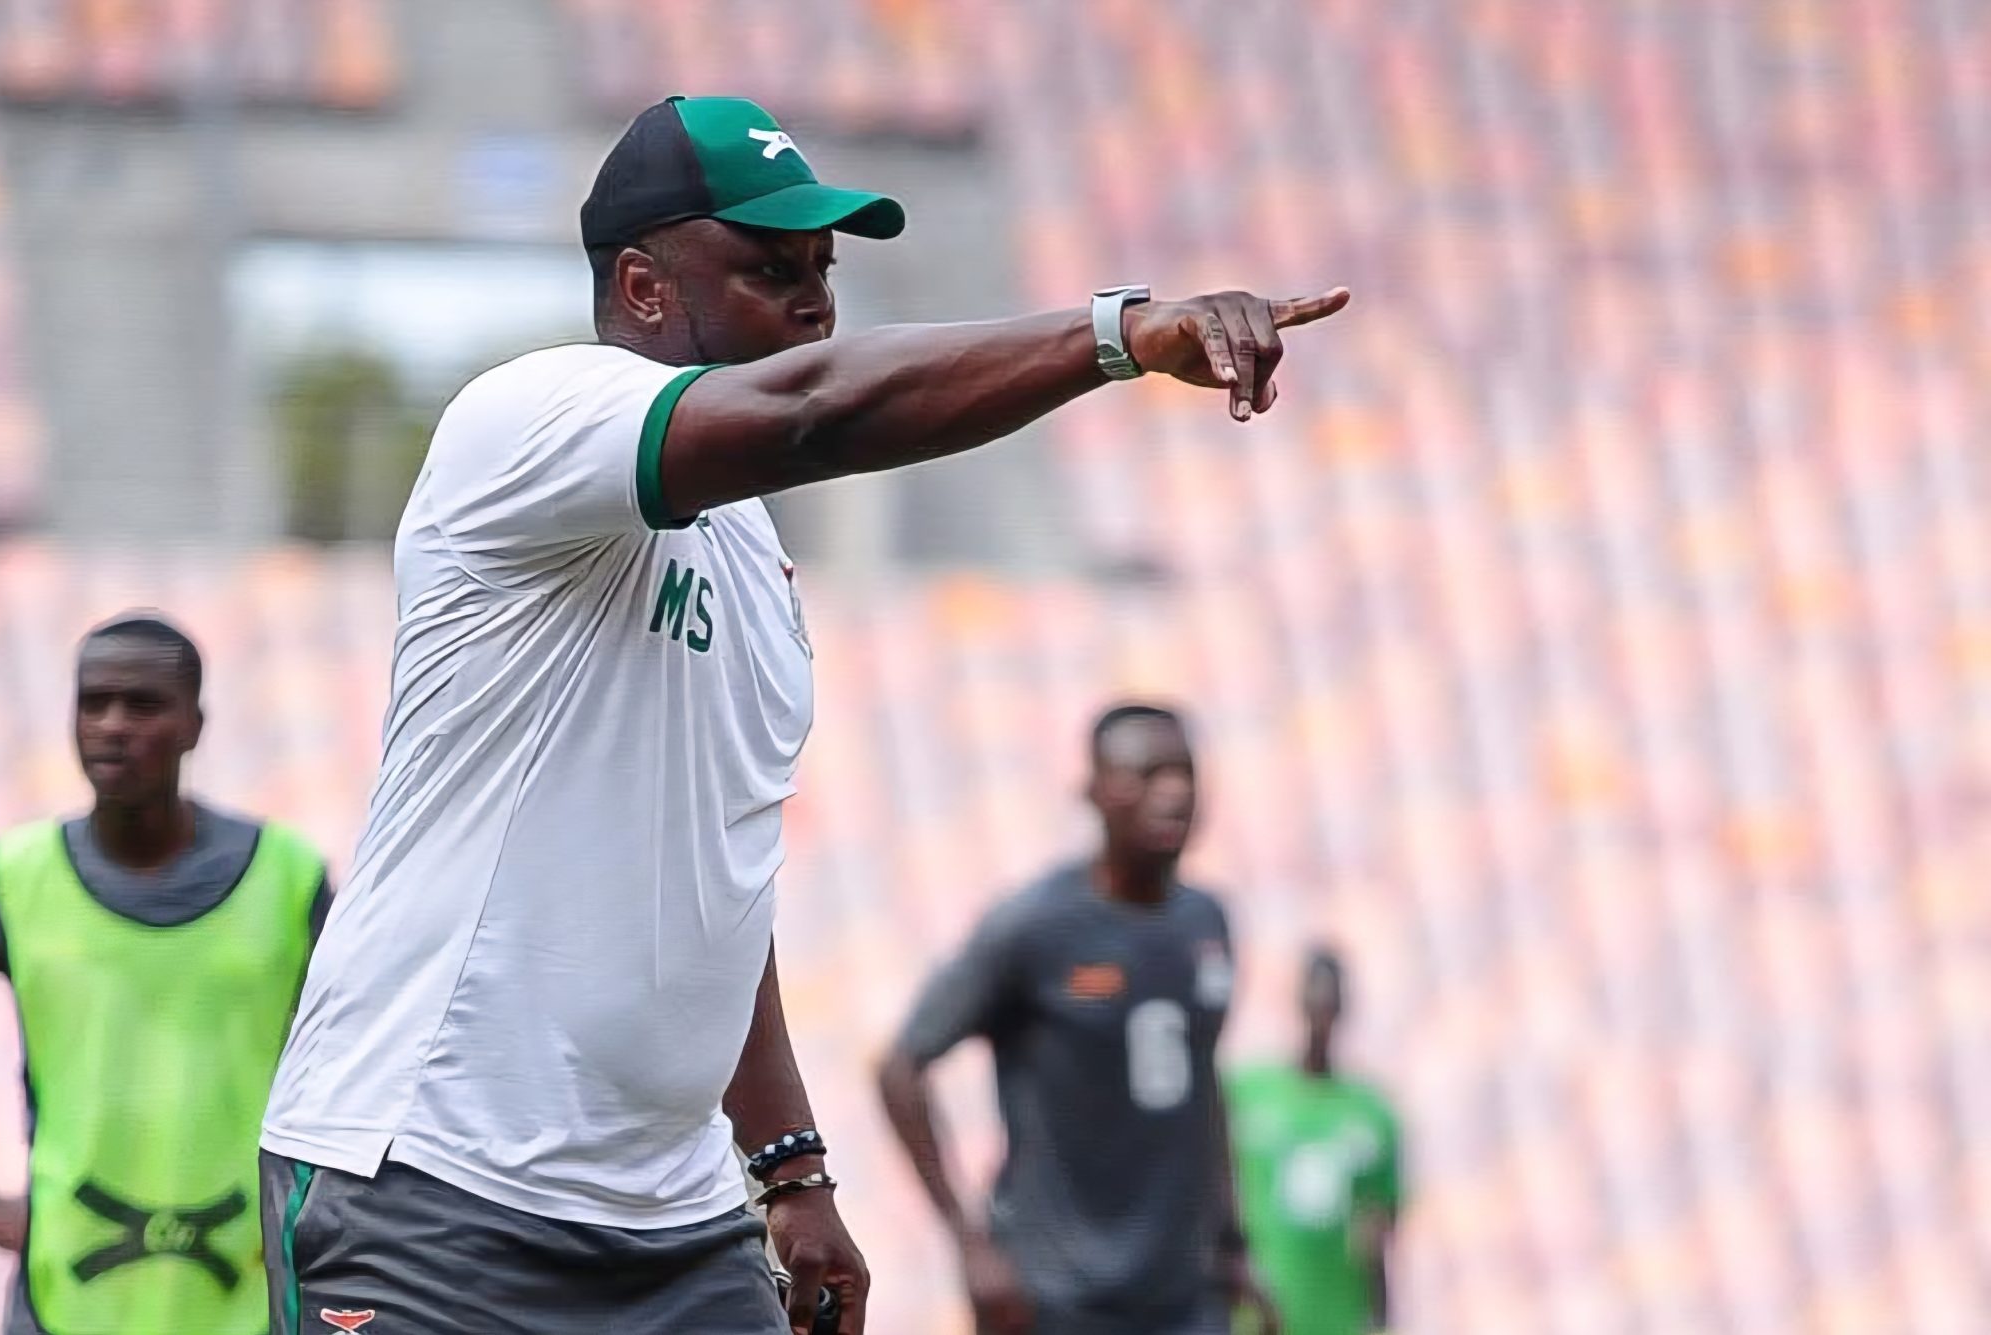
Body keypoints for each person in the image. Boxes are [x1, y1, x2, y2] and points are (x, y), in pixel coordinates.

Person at [259, 93, 1347, 1335]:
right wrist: (1116, 335)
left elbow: (720, 885)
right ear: (643, 285)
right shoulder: (531, 419)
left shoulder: (754, 568)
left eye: (824, 271)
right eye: (770, 268)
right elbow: (813, 410)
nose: (814, 300)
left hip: (672, 1220)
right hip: (433, 1185)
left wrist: (788, 1165)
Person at [0, 613, 332, 1335]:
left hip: (241, 1293)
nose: (113, 724)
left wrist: (317, 1208)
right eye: (93, 701)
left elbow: (367, 1058)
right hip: (68, 1294)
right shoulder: (16, 879)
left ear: (194, 724)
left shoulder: (288, 881)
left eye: (143, 704)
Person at [877, 703, 1280, 1335]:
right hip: (1058, 1296)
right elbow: (901, 1068)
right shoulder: (1035, 927)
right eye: (1144, 774)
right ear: (1091, 792)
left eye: (1183, 772)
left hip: (1183, 1297)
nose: (1172, 791)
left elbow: (1202, 1083)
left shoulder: (1208, 923)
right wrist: (969, 1241)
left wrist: (1233, 1242)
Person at [1225, 947, 1401, 1335]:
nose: (1322, 1011)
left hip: (1336, 1315)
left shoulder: (1371, 1113)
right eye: (1315, 995)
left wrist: (1383, 1316)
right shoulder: (1249, 1092)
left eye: (1331, 998)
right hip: (1258, 1312)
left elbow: (1378, 1233)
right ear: (1299, 998)